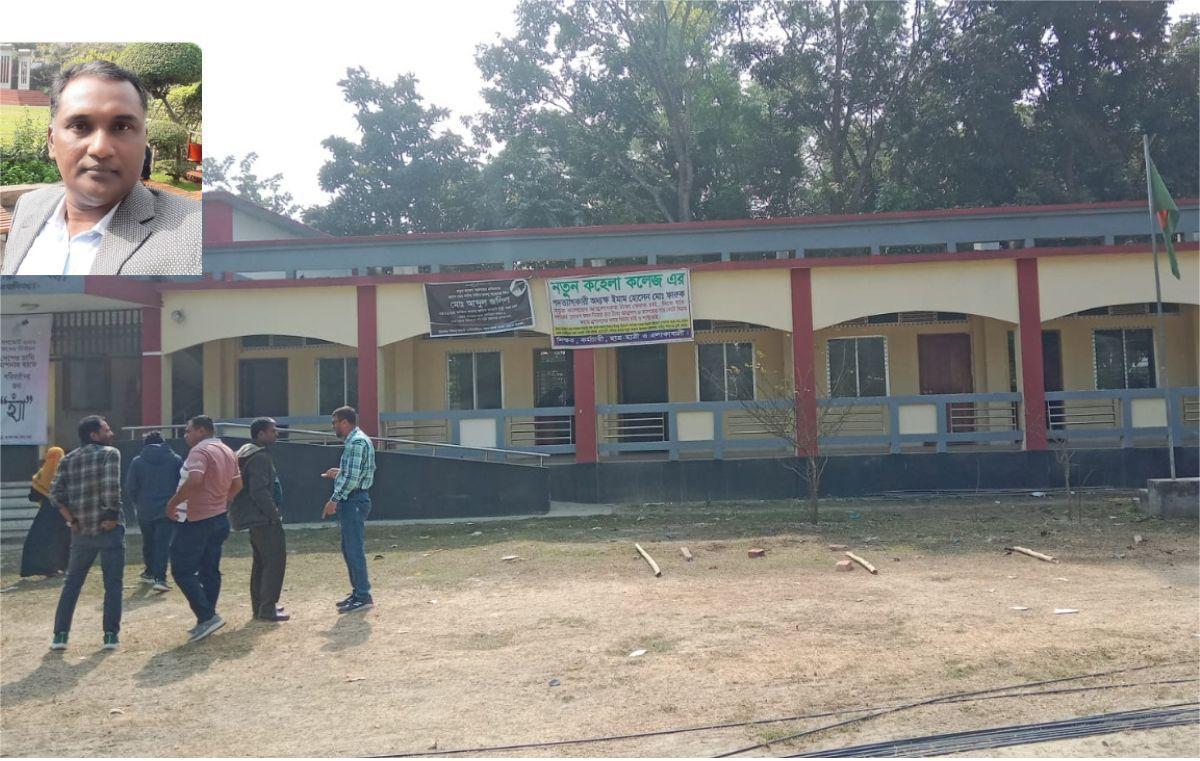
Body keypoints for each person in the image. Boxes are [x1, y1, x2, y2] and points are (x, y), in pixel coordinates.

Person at [1, 60, 200, 276]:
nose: (100, 148)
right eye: (79, 126)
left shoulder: (198, 234)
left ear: (144, 142)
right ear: (51, 141)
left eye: (122, 127)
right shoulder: (29, 206)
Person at [47, 417, 124, 652]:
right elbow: (111, 487)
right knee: (112, 584)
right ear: (94, 435)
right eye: (106, 430)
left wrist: (71, 520)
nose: (111, 433)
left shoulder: (68, 459)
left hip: (81, 530)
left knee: (72, 584)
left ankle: (60, 635)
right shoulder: (110, 454)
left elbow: (55, 494)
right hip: (108, 528)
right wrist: (111, 514)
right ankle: (110, 635)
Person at [166, 416, 241, 643]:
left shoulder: (199, 451)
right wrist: (221, 502)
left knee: (182, 570)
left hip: (196, 519)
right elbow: (237, 484)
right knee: (210, 569)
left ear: (200, 430)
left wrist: (172, 503)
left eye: (188, 431)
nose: (185, 435)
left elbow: (195, 480)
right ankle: (207, 618)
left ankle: (207, 616)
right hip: (218, 517)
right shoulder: (227, 450)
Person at [229, 417, 290, 622]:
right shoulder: (260, 457)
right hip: (263, 518)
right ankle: (267, 608)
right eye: (273, 431)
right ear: (261, 434)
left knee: (261, 563)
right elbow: (259, 491)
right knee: (274, 562)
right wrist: (274, 514)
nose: (276, 434)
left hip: (253, 518)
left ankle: (260, 607)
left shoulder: (247, 453)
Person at [321, 406, 376, 613]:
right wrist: (340, 472)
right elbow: (356, 472)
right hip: (354, 500)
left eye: (334, 422)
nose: (333, 426)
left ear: (345, 422)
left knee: (354, 550)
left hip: (353, 501)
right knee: (349, 549)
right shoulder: (357, 441)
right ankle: (358, 593)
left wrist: (333, 500)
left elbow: (353, 480)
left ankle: (362, 596)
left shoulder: (356, 442)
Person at [125, 430, 183, 592]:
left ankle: (149, 571)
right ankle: (160, 578)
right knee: (162, 544)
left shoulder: (137, 461)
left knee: (148, 542)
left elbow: (130, 487)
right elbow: (181, 484)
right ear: (163, 442)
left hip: (145, 509)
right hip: (168, 508)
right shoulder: (175, 459)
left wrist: (138, 503)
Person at [20, 446, 69, 577]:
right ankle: (63, 567)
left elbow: (33, 497)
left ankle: (43, 568)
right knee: (62, 540)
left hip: (46, 513)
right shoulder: (66, 473)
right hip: (62, 512)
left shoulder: (41, 475)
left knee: (40, 540)